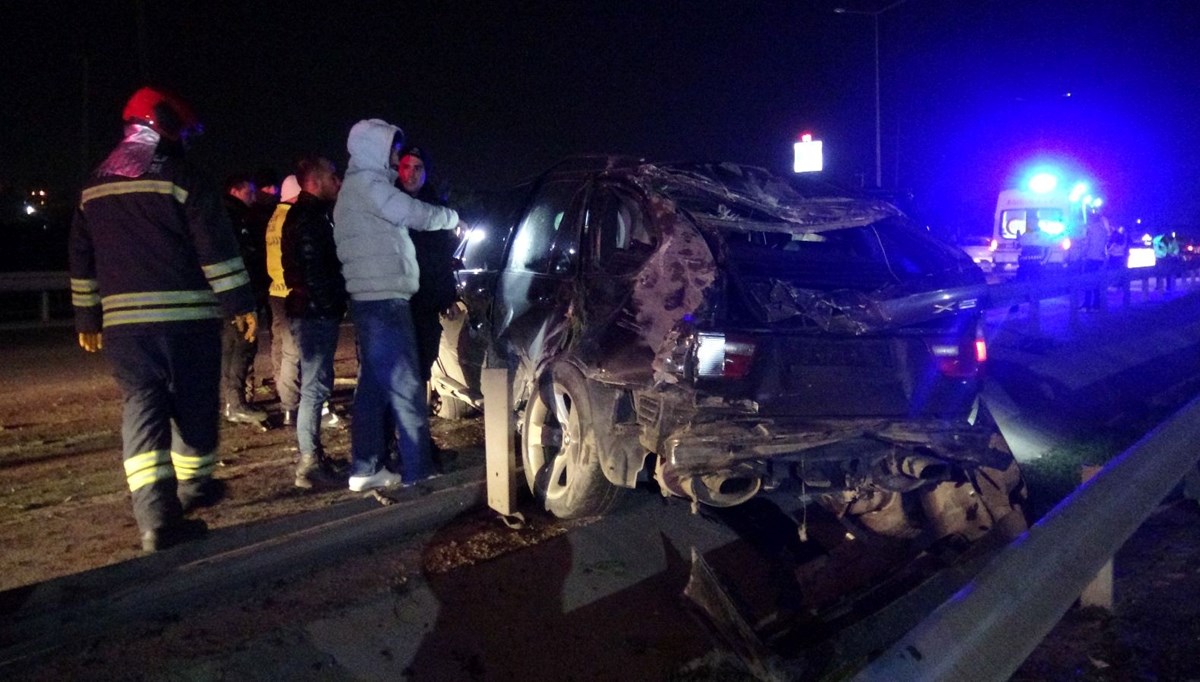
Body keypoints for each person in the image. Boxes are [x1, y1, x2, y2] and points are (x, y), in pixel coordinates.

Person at [69, 86, 257, 552]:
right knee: (194, 406)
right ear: (163, 127)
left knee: (142, 407)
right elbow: (216, 250)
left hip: (124, 330)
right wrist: (240, 304)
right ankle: (194, 487)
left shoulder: (93, 186)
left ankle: (156, 520)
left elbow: (81, 257)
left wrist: (87, 316)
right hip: (186, 323)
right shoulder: (182, 177)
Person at [333, 119, 462, 492]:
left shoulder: (357, 188)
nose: (396, 157)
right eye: (392, 148)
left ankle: (367, 465)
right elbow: (415, 214)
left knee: (373, 389)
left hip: (370, 300)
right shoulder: (371, 186)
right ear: (374, 148)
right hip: (385, 301)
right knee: (406, 386)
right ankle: (419, 470)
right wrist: (452, 218)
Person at [281, 156, 346, 488]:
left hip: (311, 310)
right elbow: (313, 269)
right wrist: (328, 304)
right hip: (314, 312)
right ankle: (308, 464)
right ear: (316, 181)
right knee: (315, 387)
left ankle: (313, 455)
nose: (338, 180)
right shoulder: (309, 218)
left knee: (316, 385)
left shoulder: (311, 215)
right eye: (332, 175)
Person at [394, 145, 461, 472]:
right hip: (395, 304)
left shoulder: (435, 206)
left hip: (425, 307)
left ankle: (417, 443)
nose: (411, 174)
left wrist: (447, 296)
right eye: (406, 167)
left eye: (418, 168)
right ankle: (398, 445)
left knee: (420, 375)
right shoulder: (389, 203)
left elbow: (441, 259)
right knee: (396, 377)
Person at [221, 174, 270, 425]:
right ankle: (235, 402)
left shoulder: (230, 215)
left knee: (234, 346)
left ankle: (233, 401)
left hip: (232, 293)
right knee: (242, 344)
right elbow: (242, 256)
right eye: (248, 192)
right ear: (235, 191)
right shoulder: (234, 218)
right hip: (239, 293)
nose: (253, 196)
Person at [265, 174, 302, 425]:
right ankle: (292, 406)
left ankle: (284, 396)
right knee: (294, 352)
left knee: (280, 347)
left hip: (275, 290)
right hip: (290, 291)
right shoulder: (292, 218)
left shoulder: (274, 216)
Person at [1080, 212, 1109, 311]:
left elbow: (1087, 244)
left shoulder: (1090, 229)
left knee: (1088, 281)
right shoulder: (1104, 230)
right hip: (1100, 259)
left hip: (1091, 258)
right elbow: (1105, 244)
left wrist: (1082, 255)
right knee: (1097, 282)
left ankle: (1087, 304)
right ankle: (1096, 304)